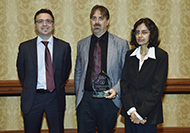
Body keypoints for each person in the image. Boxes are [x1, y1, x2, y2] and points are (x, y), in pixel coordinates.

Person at [74, 5, 129, 133]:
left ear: (107, 21)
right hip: (86, 100)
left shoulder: (121, 44)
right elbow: (78, 71)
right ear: (90, 21)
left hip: (108, 100)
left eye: (101, 18)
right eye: (94, 18)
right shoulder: (82, 44)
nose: (97, 22)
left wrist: (116, 90)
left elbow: (126, 73)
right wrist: (79, 95)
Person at [16, 9, 71, 133]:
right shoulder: (25, 47)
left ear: (53, 24)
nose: (44, 24)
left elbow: (65, 72)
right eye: (40, 21)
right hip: (32, 99)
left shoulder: (64, 47)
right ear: (35, 25)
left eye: (48, 21)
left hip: (55, 98)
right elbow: (22, 73)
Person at [120, 18, 168, 133]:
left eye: (144, 32)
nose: (140, 35)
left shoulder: (161, 56)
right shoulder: (129, 55)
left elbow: (157, 90)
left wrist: (140, 114)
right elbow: (124, 84)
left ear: (152, 34)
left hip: (148, 114)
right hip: (130, 112)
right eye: (137, 32)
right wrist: (132, 111)